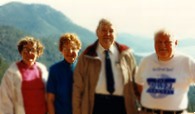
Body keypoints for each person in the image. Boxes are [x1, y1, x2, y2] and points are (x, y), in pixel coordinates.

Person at [72, 18, 138, 114]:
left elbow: (136, 83)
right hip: (96, 105)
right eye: (103, 30)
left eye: (111, 31)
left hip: (122, 105)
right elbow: (78, 88)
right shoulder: (87, 56)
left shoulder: (126, 54)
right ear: (97, 32)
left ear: (116, 34)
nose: (107, 34)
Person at [135, 29, 195, 114]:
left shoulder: (187, 62)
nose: (162, 46)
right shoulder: (146, 61)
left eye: (167, 42)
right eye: (158, 42)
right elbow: (139, 82)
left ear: (176, 43)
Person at [0, 36, 48, 114]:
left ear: (38, 53)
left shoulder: (42, 70)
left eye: (33, 50)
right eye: (26, 49)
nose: (29, 53)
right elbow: (4, 100)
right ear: (21, 51)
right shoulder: (12, 72)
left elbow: (49, 95)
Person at [47, 33, 82, 114]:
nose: (70, 52)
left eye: (73, 48)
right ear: (61, 50)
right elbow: (50, 99)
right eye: (66, 49)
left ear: (78, 49)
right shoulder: (54, 70)